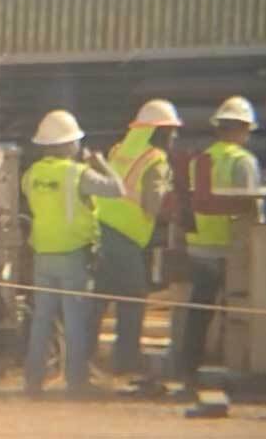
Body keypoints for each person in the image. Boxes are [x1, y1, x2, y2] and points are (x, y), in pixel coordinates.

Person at [22, 110, 125, 397]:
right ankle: (76, 381)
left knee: (41, 320)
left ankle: (33, 381)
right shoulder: (78, 174)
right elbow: (118, 189)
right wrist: (102, 164)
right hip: (73, 256)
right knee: (75, 320)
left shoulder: (31, 175)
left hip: (43, 255)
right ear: (68, 144)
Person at [90, 100, 182, 376]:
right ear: (160, 131)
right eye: (172, 131)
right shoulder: (155, 159)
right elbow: (154, 205)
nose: (175, 137)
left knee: (98, 299)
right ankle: (126, 362)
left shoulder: (119, 149)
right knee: (132, 299)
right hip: (125, 239)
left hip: (99, 230)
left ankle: (83, 359)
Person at [179, 96, 261, 388]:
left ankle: (188, 367)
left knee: (200, 309)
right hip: (230, 249)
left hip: (200, 247)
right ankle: (237, 367)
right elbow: (252, 208)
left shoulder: (203, 158)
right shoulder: (243, 161)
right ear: (241, 129)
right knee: (238, 310)